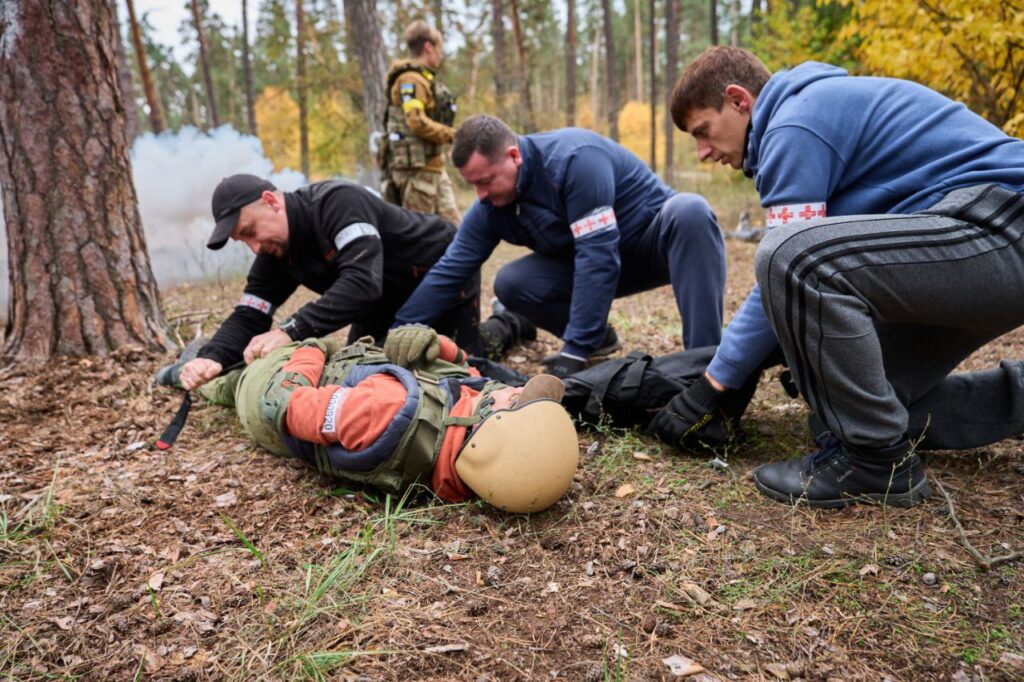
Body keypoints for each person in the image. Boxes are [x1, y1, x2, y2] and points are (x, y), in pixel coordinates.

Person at [659, 46, 1024, 508]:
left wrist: (716, 384)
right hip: (969, 248)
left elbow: (791, 263)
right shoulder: (815, 111)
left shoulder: (795, 123)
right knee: (847, 413)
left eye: (703, 132)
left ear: (738, 100)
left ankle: (877, 464)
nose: (704, 151)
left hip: (1004, 221)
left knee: (788, 255)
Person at [393, 115, 727, 378]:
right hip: (588, 265)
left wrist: (573, 352)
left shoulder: (574, 160)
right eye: (472, 184)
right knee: (511, 282)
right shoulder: (491, 207)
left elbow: (598, 254)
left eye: (485, 180)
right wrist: (398, 332)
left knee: (690, 211)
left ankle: (703, 367)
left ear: (513, 156)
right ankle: (598, 339)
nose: (480, 194)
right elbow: (451, 269)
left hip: (652, 247)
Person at [169, 174, 530, 392]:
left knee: (465, 363)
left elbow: (361, 282)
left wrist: (291, 329)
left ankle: (513, 322)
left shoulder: (335, 202)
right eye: (242, 242)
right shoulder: (273, 253)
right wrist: (213, 358)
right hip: (383, 301)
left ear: (270, 202)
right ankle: (504, 322)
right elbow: (249, 314)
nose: (254, 247)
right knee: (364, 373)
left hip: (439, 275)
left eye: (250, 232)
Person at [194, 326, 579, 513]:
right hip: (341, 387)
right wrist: (436, 347)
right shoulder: (459, 469)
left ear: (484, 435)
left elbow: (283, 404)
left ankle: (192, 372)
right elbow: (466, 378)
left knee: (225, 381)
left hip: (269, 386)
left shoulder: (387, 408)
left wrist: (313, 347)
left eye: (514, 401)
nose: (515, 388)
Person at [380, 20, 460, 225]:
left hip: (432, 168)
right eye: (439, 49)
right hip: (416, 173)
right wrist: (453, 135)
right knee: (420, 236)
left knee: (453, 229)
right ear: (428, 47)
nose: (440, 55)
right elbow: (416, 121)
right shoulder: (411, 80)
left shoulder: (424, 80)